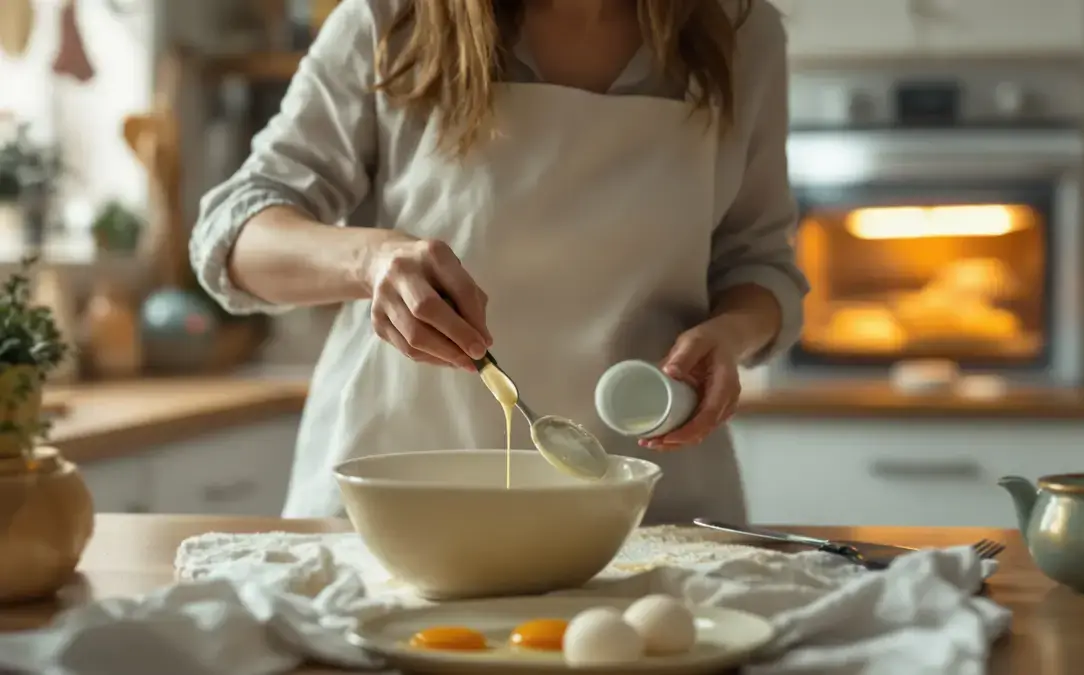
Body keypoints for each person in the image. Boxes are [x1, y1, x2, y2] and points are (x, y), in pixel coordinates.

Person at [190, 0, 808, 524]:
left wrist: (731, 333)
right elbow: (235, 232)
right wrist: (372, 259)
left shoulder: (738, 33)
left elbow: (760, 265)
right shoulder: (394, 18)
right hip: (400, 505)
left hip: (646, 510)